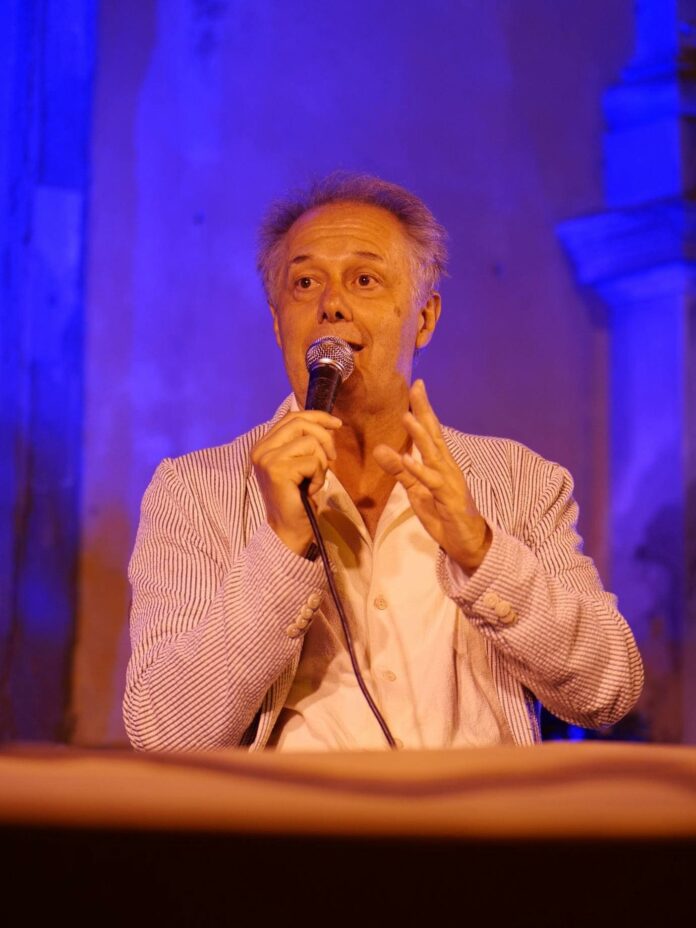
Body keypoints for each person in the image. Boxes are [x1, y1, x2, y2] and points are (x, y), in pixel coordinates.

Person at [123, 172, 643, 752]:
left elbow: (609, 689)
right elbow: (163, 736)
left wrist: (480, 551)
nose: (331, 305)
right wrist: (281, 546)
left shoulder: (519, 481)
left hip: (475, 808)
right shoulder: (196, 491)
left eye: (364, 280)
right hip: (294, 811)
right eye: (305, 283)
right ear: (277, 322)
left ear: (425, 318)